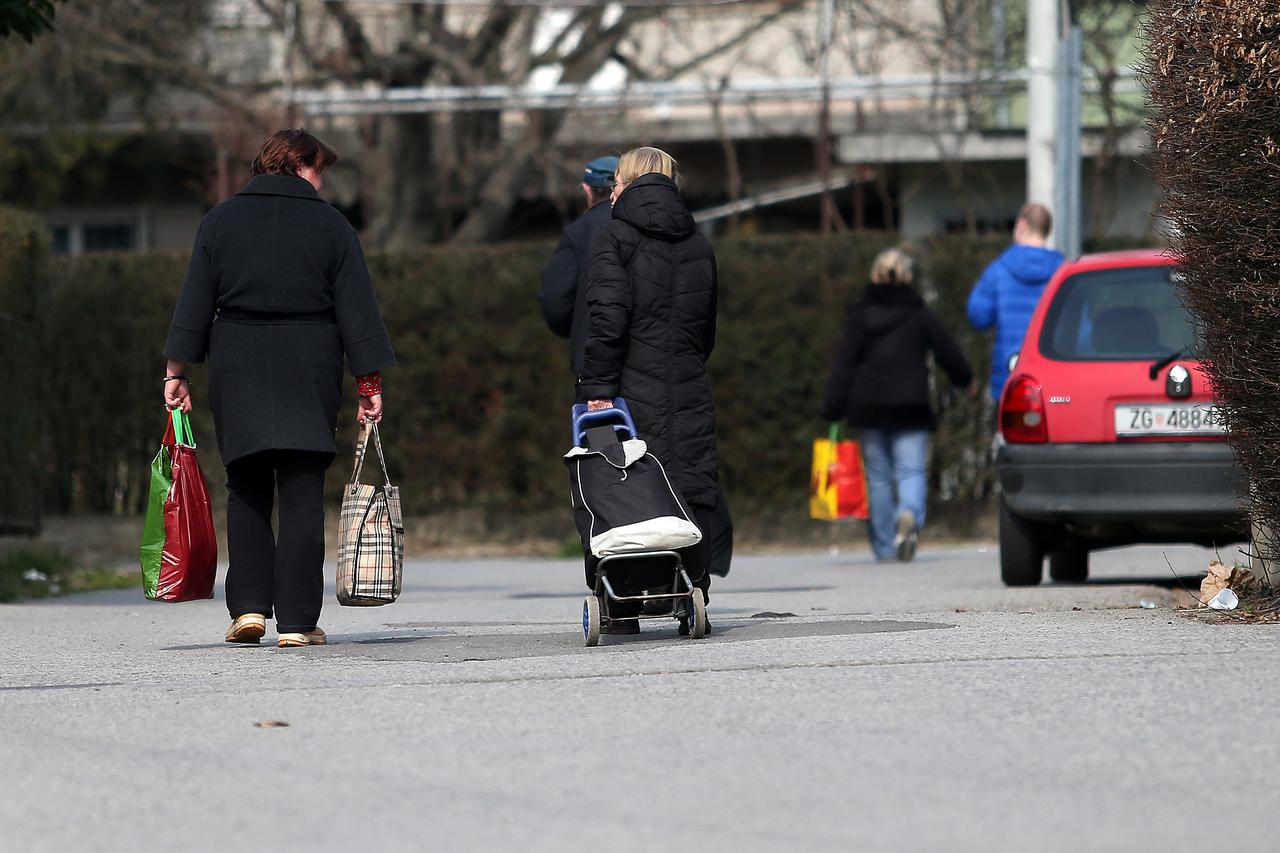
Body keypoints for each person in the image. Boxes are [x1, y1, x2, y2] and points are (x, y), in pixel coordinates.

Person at [162, 129, 395, 648]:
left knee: (245, 484)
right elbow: (357, 308)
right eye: (321, 170)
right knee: (301, 491)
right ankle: (294, 620)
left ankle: (247, 609)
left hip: (237, 359)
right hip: (307, 359)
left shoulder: (219, 221)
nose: (322, 181)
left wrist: (176, 373)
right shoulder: (331, 225)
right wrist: (369, 381)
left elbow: (195, 301)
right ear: (301, 165)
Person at [578, 146, 727, 632]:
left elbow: (607, 319)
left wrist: (595, 386)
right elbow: (705, 328)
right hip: (687, 383)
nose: (613, 190)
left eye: (616, 181)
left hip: (628, 384)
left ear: (630, 182)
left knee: (622, 486)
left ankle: (622, 604)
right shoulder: (699, 243)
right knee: (689, 483)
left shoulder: (614, 237)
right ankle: (692, 589)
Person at [822, 248, 974, 562]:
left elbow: (844, 365)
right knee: (911, 470)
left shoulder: (859, 316)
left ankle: (884, 547)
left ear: (874, 275)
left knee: (878, 477)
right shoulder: (920, 314)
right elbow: (948, 352)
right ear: (907, 277)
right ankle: (909, 516)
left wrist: (833, 405)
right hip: (911, 404)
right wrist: (966, 380)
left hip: (869, 406)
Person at [966, 203, 1065, 401]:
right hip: (1054, 373)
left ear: (1021, 224)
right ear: (1048, 230)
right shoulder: (1063, 270)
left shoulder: (999, 269)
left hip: (1010, 373)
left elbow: (978, 316)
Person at [537, 155, 619, 376]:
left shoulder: (578, 232)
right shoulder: (652, 225)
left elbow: (556, 300)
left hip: (595, 364)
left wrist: (577, 326)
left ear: (588, 190)